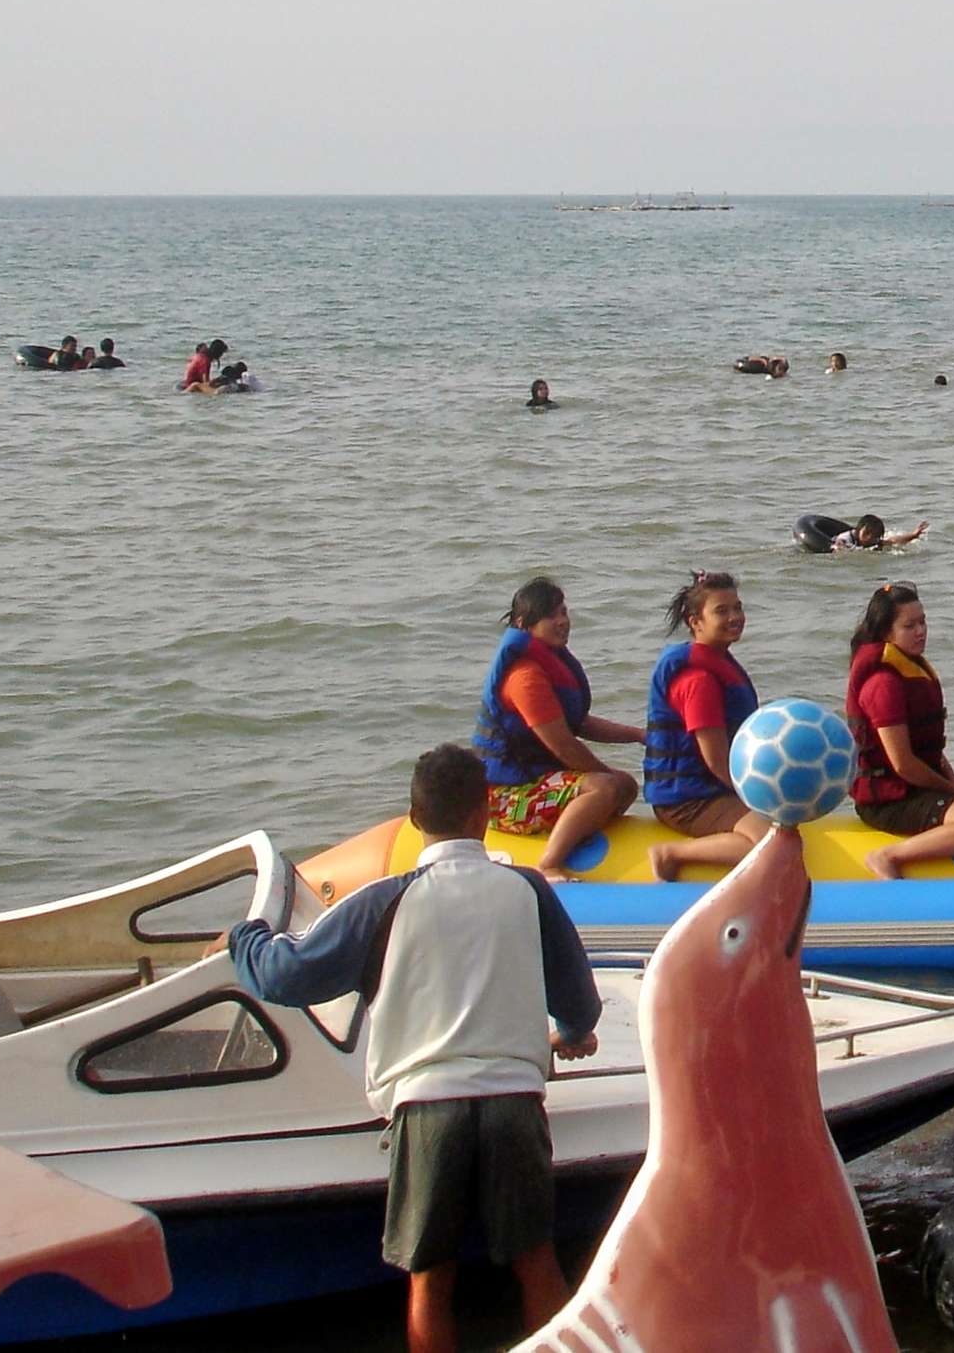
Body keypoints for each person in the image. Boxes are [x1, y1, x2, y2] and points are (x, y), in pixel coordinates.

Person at [227, 744, 598, 1353]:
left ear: (414, 817)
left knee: (430, 1280)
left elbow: (284, 977)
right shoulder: (528, 891)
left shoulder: (382, 902)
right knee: (537, 1263)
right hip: (513, 1102)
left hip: (426, 1107)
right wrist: (575, 1033)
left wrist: (244, 937)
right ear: (486, 813)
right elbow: (579, 1003)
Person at [472, 578, 641, 884]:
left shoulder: (548, 662)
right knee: (607, 788)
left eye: (564, 612)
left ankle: (573, 837)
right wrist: (607, 779)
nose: (563, 622)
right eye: (552, 616)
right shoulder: (524, 676)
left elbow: (580, 723)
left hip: (534, 782)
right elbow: (563, 745)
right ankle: (548, 864)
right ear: (524, 624)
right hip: (504, 798)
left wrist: (639, 735)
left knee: (625, 785)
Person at [844, 583, 954, 879]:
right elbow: (903, 764)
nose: (921, 631)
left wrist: (953, 784)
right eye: (909, 625)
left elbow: (932, 754)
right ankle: (886, 855)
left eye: (923, 621)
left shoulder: (910, 669)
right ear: (886, 633)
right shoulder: (883, 684)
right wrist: (951, 791)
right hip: (888, 800)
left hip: (917, 786)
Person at [640, 573, 773, 881]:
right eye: (722, 611)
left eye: (737, 608)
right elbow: (715, 758)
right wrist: (754, 798)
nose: (735, 617)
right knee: (772, 842)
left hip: (707, 789)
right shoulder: (698, 680)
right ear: (695, 622)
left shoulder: (718, 661)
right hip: (686, 799)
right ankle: (670, 854)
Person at [845, 515, 929, 550]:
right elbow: (838, 548)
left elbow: (893, 541)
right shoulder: (846, 539)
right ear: (859, 530)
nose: (869, 537)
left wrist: (914, 535)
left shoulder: (873, 541)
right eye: (866, 533)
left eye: (874, 535)